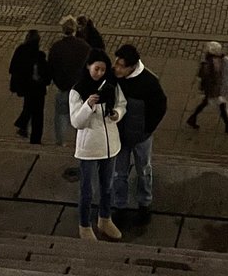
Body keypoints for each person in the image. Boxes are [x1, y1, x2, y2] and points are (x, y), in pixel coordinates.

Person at [69, 49, 126, 241]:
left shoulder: (110, 86)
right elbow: (76, 122)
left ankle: (104, 218)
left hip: (110, 144)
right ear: (88, 67)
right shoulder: (77, 90)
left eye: (103, 69)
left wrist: (116, 114)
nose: (100, 73)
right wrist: (87, 106)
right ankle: (84, 225)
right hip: (89, 148)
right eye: (96, 69)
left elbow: (121, 104)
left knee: (107, 186)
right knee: (87, 190)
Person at [112, 43, 168, 222]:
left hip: (140, 137)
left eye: (121, 66)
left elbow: (160, 107)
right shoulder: (115, 78)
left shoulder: (149, 82)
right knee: (119, 173)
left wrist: (146, 130)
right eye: (116, 63)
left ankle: (144, 203)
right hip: (119, 136)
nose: (117, 68)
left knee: (143, 170)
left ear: (132, 67)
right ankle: (120, 205)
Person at [48, 16, 90, 146]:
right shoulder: (84, 47)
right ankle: (81, 143)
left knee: (61, 115)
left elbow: (51, 67)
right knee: (81, 117)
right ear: (75, 30)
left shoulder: (56, 47)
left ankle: (60, 142)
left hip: (63, 87)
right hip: (79, 88)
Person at [186, 41, 228, 133]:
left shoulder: (211, 60)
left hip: (212, 89)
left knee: (205, 103)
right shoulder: (209, 64)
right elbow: (208, 77)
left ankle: (192, 118)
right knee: (221, 105)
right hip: (212, 89)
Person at [8, 29, 49, 144]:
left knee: (29, 107)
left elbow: (12, 68)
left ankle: (22, 125)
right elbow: (46, 73)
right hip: (38, 88)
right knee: (38, 114)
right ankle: (34, 138)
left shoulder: (20, 51)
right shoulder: (39, 55)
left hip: (26, 87)